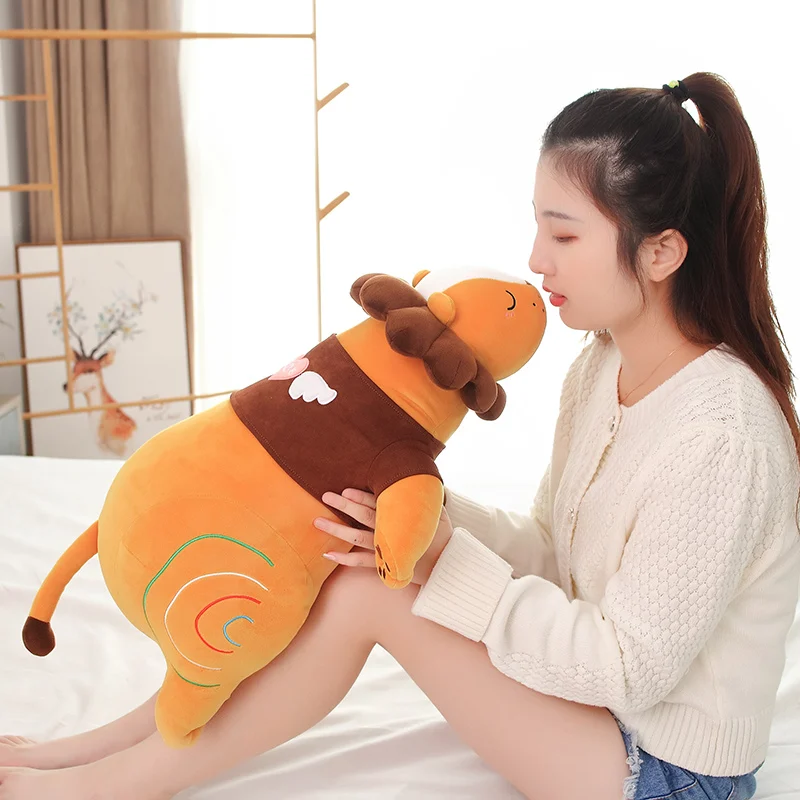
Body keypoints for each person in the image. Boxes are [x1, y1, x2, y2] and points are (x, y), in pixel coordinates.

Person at [1, 71, 798, 800]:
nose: (535, 260)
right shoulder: (600, 368)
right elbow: (554, 552)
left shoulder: (722, 437)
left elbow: (628, 670)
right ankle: (94, 753)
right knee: (342, 550)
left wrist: (440, 559)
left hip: (666, 773)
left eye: (564, 236)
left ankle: (108, 785)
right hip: (588, 715)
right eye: (537, 228)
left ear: (661, 252)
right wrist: (423, 521)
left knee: (369, 591)